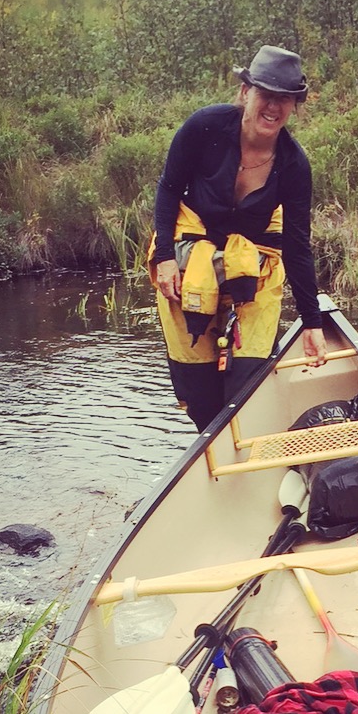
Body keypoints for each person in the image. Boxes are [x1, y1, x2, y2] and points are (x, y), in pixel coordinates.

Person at [151, 45, 328, 432]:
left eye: (285, 99)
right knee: (199, 396)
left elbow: (297, 246)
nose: (274, 107)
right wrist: (164, 257)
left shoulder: (294, 165)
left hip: (253, 263)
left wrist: (312, 322)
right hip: (191, 259)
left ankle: (246, 448)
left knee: (248, 386)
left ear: (294, 106)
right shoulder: (204, 127)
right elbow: (168, 189)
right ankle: (213, 449)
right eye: (267, 94)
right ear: (246, 91)